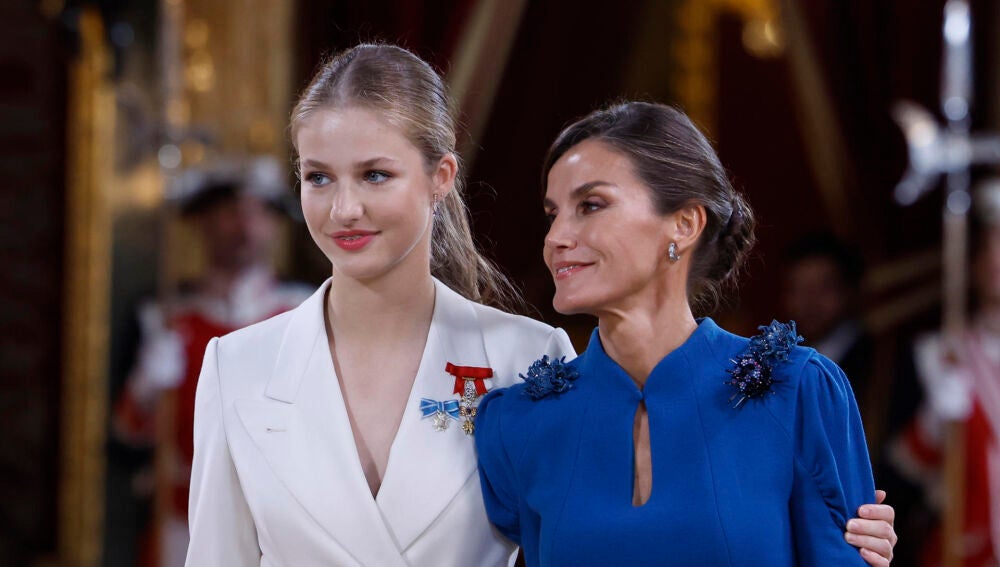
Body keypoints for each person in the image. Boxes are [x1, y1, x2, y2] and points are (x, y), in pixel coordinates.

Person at [186, 45, 897, 566]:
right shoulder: (236, 366)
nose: (344, 207)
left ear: (441, 179)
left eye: (375, 173)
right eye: (316, 177)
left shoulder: (529, 361)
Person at [476, 101, 893, 566]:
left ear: (685, 223)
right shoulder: (516, 422)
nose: (556, 238)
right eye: (553, 214)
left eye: (590, 205)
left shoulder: (797, 393)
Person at [113, 156, 311, 567]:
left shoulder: (305, 312)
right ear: (202, 222)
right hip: (182, 517)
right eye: (230, 212)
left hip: (279, 520)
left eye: (258, 213)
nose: (244, 226)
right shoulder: (161, 314)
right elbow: (124, 438)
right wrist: (147, 387)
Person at [887, 182, 1000, 566]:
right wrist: (934, 424)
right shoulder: (934, 356)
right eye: (992, 245)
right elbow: (896, 479)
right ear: (975, 262)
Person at [783, 233, 875, 411]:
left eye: (823, 289)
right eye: (798, 290)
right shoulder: (782, 364)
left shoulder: (879, 365)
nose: (809, 303)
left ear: (849, 291)